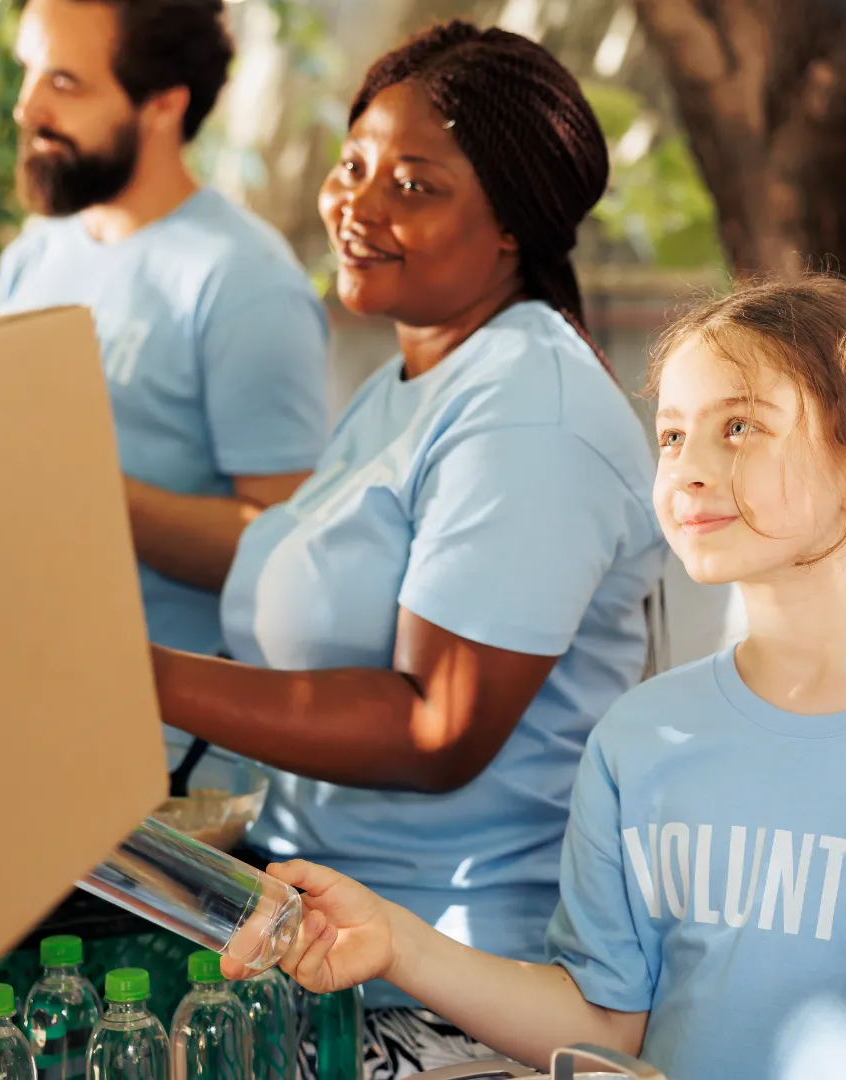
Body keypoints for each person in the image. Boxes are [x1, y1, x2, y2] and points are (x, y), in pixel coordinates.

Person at [249, 275, 846, 1080]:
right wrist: (396, 941)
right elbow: (605, 1026)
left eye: (741, 428)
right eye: (673, 435)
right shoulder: (639, 743)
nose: (691, 470)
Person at [151, 22, 666, 1076]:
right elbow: (283, 558)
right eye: (354, 167)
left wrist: (134, 680)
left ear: (512, 224)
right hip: (323, 942)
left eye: (417, 186)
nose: (359, 206)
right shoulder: (418, 379)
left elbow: (437, 726)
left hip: (452, 998)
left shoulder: (530, 410)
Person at [0, 0, 328, 658]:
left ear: (164, 105)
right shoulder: (33, 254)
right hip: (23, 661)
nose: (27, 109)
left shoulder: (247, 285)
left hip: (164, 727)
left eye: (65, 83)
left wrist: (83, 488)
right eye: (29, 72)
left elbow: (283, 548)